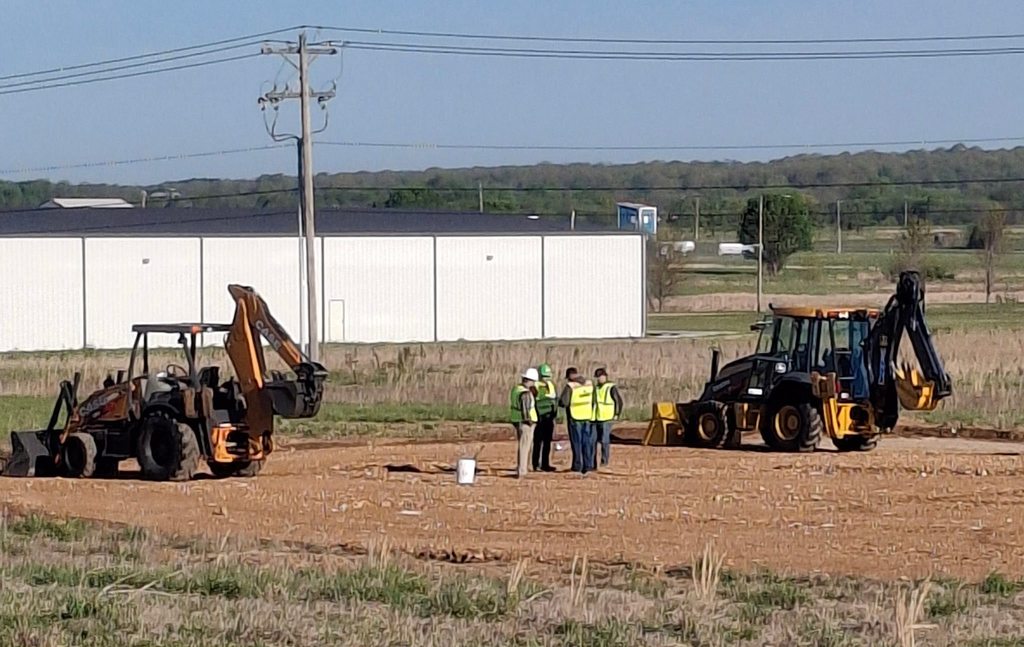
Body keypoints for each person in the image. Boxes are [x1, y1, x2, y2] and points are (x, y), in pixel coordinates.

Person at [559, 367, 595, 474]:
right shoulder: (589, 384)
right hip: (587, 416)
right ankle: (588, 465)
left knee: (577, 443)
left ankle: (577, 465)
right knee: (587, 442)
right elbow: (593, 400)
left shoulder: (571, 386)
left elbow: (564, 402)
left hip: (575, 418)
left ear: (570, 376)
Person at [509, 368, 538, 478]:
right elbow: (525, 409)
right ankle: (522, 470)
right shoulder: (525, 393)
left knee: (523, 445)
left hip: (517, 419)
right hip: (525, 422)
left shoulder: (516, 389)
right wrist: (529, 421)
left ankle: (521, 468)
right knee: (525, 446)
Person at [592, 368, 623, 467]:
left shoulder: (611, 387)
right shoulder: (596, 388)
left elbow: (618, 401)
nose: (599, 379)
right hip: (596, 417)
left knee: (604, 440)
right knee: (593, 441)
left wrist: (616, 414)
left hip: (607, 418)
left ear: (605, 376)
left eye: (600, 377)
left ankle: (604, 461)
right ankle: (593, 462)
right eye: (597, 377)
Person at [531, 363, 558, 472]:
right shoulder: (535, 386)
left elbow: (554, 401)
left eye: (548, 377)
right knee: (538, 442)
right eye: (544, 377)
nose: (546, 379)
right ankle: (536, 464)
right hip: (539, 417)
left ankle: (545, 464)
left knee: (547, 442)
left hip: (549, 417)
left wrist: (554, 415)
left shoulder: (551, 385)